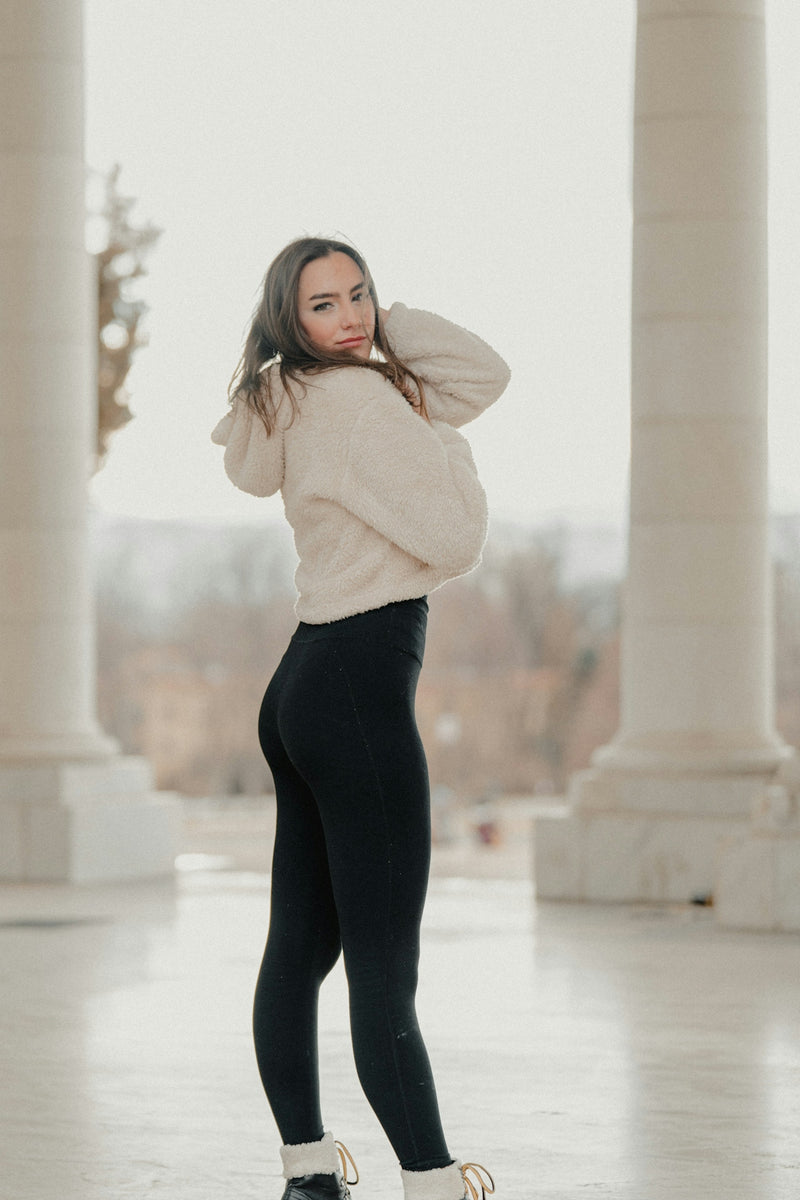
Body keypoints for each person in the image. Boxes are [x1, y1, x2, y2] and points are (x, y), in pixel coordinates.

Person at [212, 237, 510, 1200]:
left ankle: (308, 1168)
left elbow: (476, 378)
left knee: (298, 944)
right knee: (386, 964)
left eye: (360, 296)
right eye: (323, 307)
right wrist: (445, 445)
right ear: (288, 320)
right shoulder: (364, 407)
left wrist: (381, 335)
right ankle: (430, 1180)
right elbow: (454, 537)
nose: (350, 319)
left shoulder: (293, 395)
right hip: (359, 685)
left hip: (302, 682)